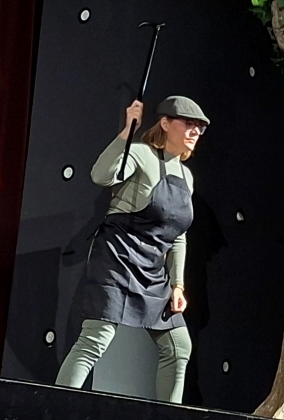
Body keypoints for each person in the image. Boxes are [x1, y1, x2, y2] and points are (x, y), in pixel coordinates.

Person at [55, 96, 210, 404]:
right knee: (96, 338)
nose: (195, 132)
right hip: (117, 258)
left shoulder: (186, 176)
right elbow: (101, 175)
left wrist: (177, 284)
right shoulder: (141, 153)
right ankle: (54, 407)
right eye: (188, 124)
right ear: (165, 123)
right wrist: (127, 131)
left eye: (200, 128)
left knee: (178, 346)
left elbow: (178, 236)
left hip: (153, 270)